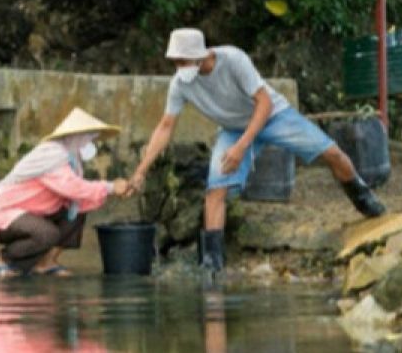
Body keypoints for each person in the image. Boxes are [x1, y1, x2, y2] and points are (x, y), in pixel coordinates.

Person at [129, 28, 385, 272]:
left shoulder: (233, 60)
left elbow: (262, 102)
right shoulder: (181, 84)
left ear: (200, 55)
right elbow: (165, 127)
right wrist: (141, 170)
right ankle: (212, 265)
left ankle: (363, 199)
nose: (179, 68)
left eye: (183, 61)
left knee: (331, 153)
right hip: (233, 128)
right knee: (215, 190)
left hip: (273, 115)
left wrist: (243, 146)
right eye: (176, 62)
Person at [0, 107, 130, 277]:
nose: (90, 141)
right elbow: (73, 187)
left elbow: (79, 194)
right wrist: (110, 187)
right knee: (47, 234)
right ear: (74, 135)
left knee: (79, 208)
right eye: (87, 136)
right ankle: (3, 259)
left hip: (30, 212)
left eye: (91, 136)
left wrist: (118, 189)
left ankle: (47, 262)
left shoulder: (72, 158)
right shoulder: (52, 154)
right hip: (2, 213)